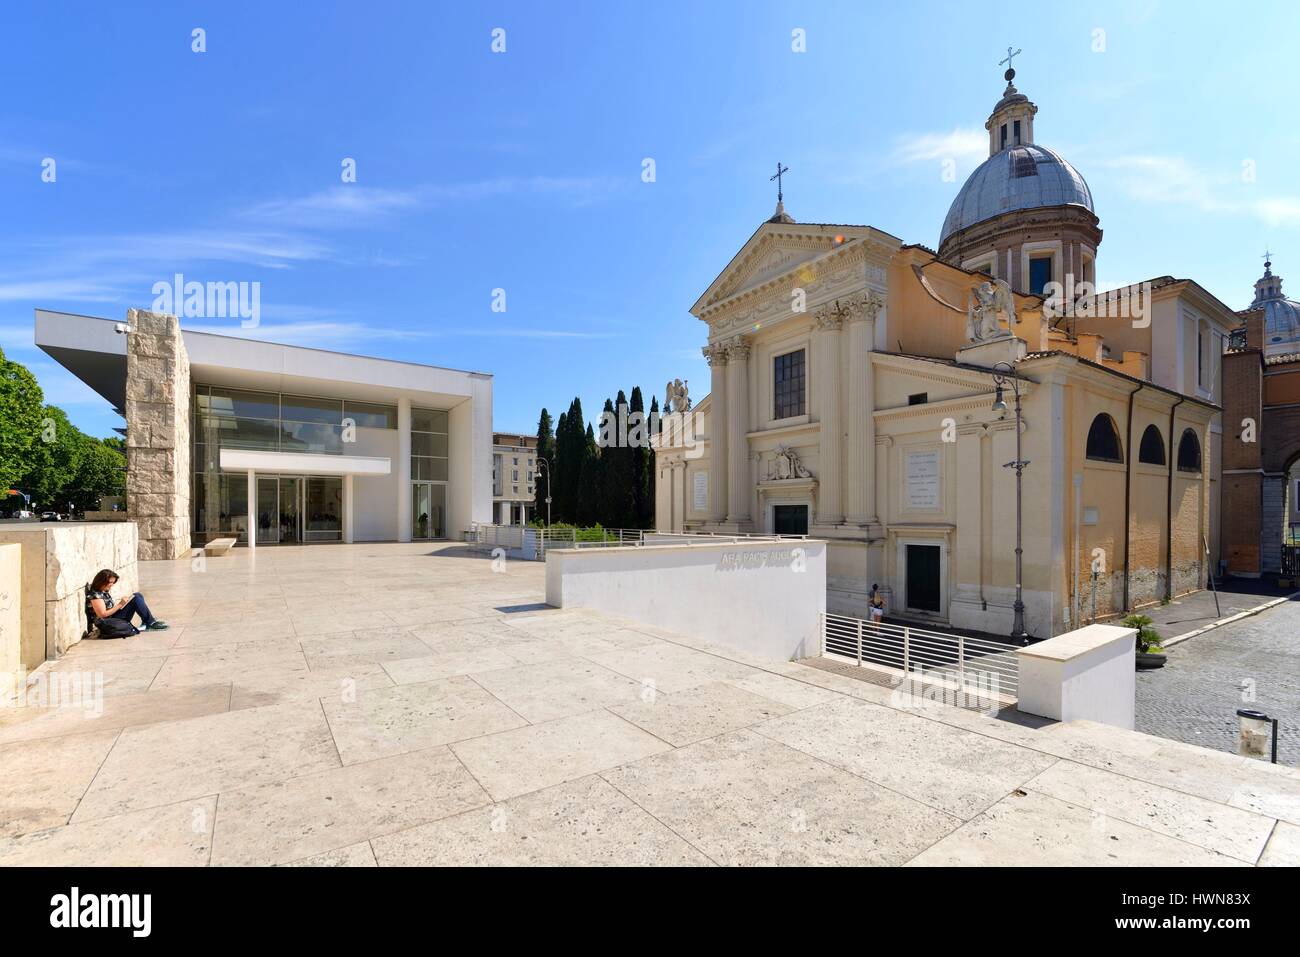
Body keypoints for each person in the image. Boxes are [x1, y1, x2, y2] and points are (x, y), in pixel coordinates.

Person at [87, 569, 168, 634]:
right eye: (110, 582)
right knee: (136, 599)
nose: (112, 585)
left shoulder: (103, 591)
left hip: (113, 618)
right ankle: (150, 623)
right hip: (109, 623)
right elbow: (102, 614)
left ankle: (148, 621)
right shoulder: (95, 595)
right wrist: (120, 605)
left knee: (137, 595)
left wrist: (124, 603)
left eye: (113, 582)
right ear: (102, 581)